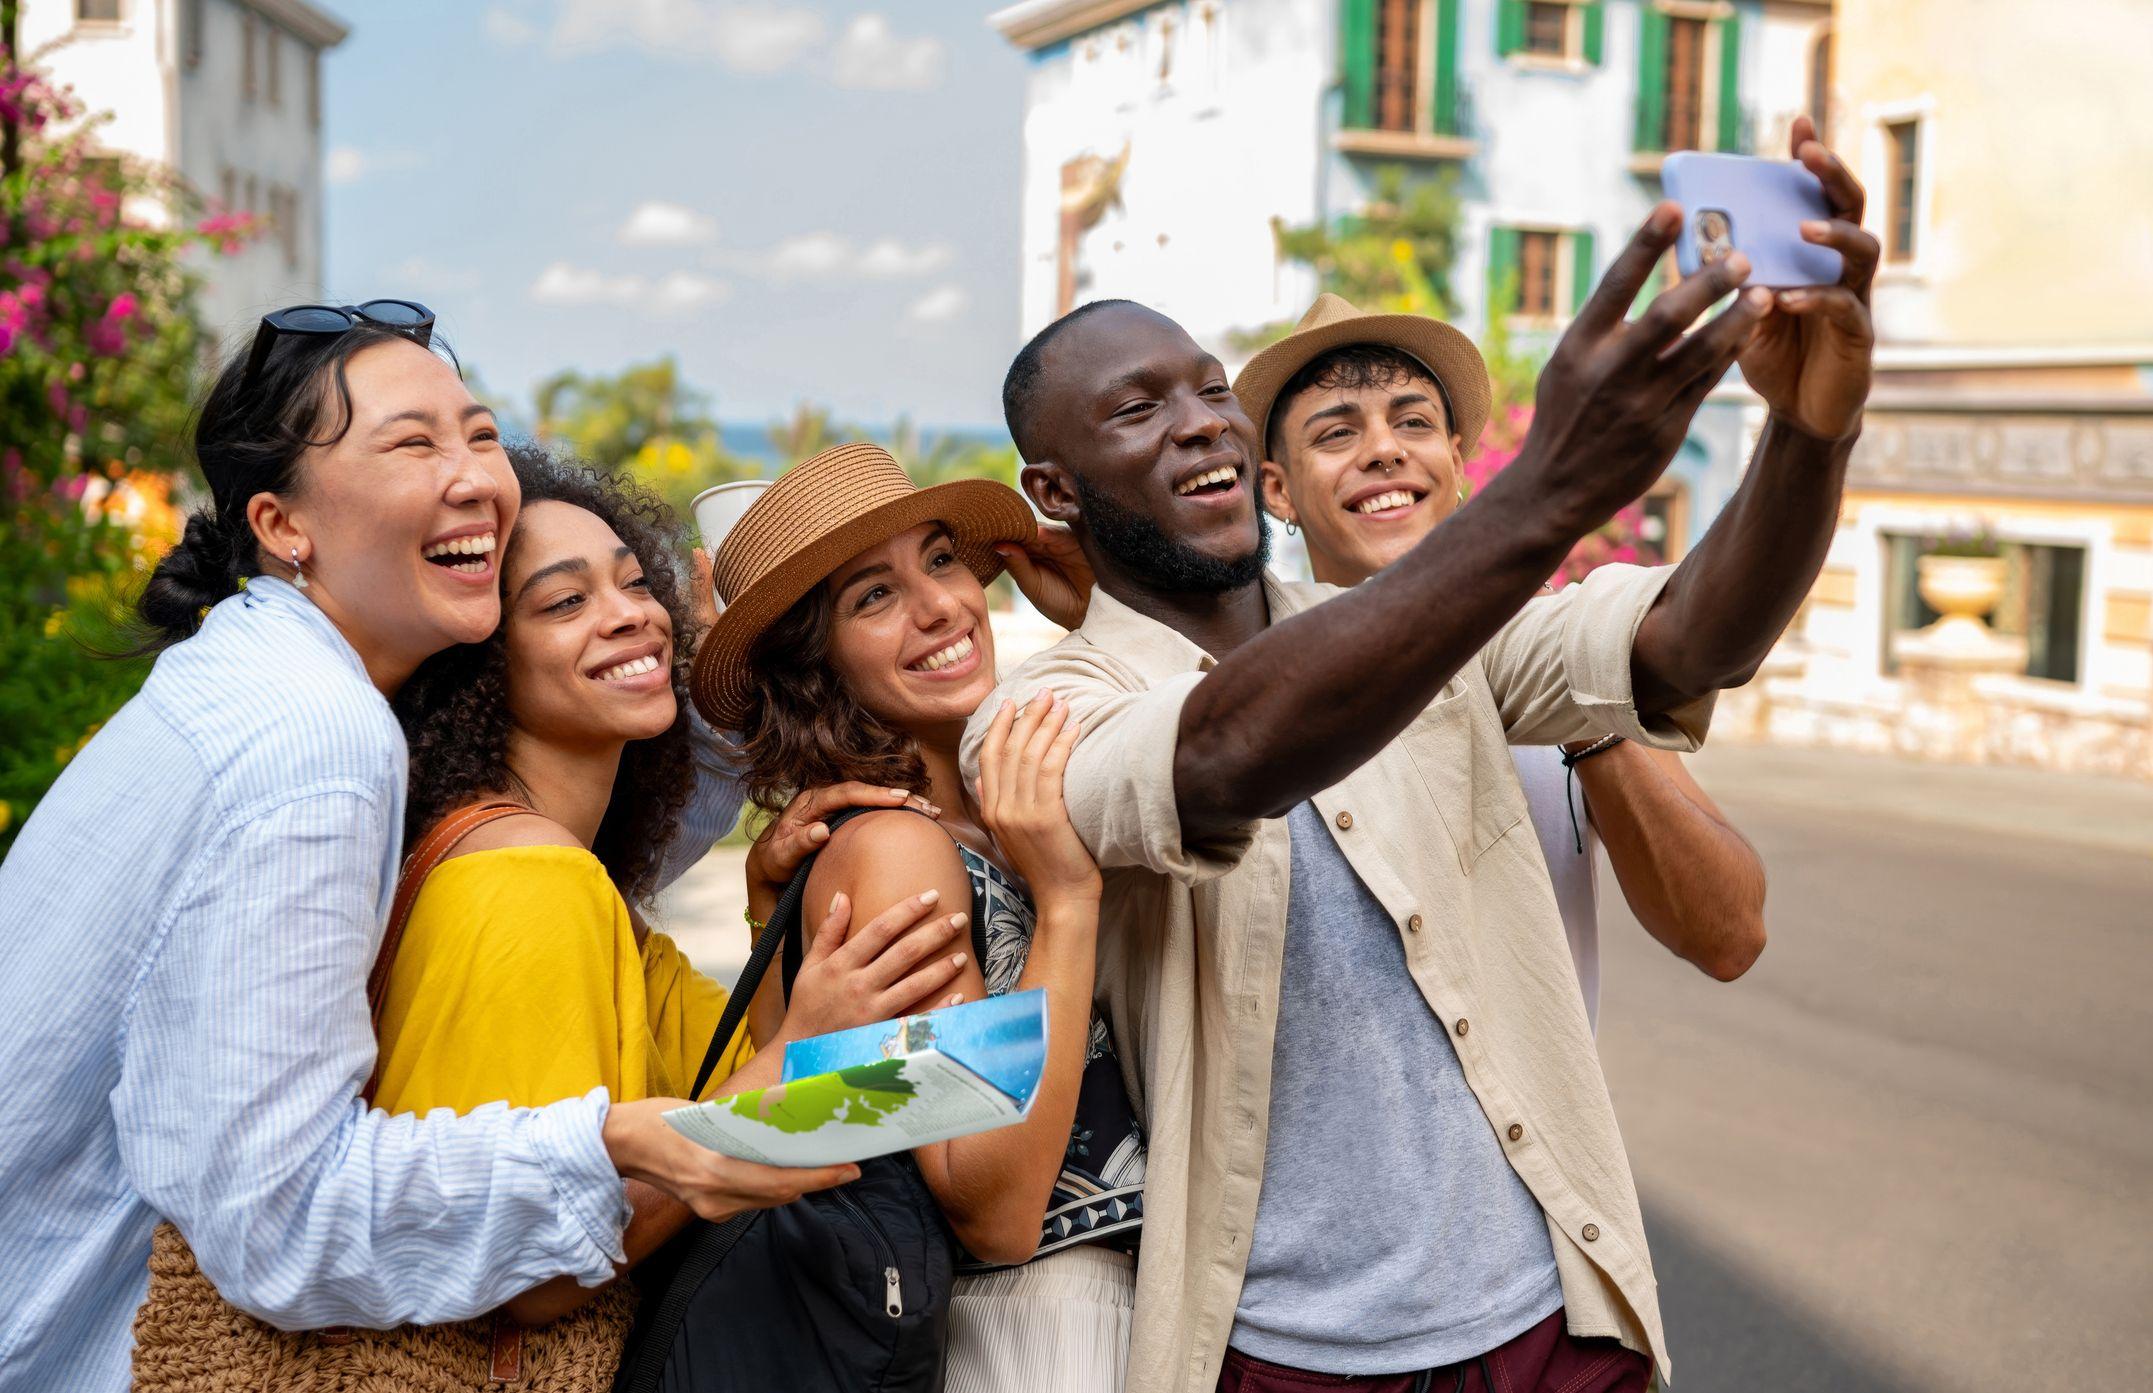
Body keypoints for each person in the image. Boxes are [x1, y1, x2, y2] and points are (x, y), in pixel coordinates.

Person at [967, 119, 1875, 1393]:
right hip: (1281, 1357)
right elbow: (1226, 755)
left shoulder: (1432, 638)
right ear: (1055, 493)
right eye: (1135, 408)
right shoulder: (1041, 715)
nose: (1198, 423)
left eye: (1210, 386)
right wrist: (1546, 489)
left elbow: (1685, 640)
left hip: (1550, 1323)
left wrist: (1810, 434)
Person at [0, 306, 914, 1392]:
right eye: (410, 443)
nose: (475, 473)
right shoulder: (320, 741)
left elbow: (565, 861)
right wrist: (614, 1143)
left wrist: (728, 735)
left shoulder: (258, 688)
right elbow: (279, 1220)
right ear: (282, 524)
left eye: (478, 433)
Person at [383, 445, 974, 1345]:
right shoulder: (524, 880)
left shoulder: (574, 881)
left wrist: (763, 907)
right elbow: (533, 1275)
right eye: (565, 601)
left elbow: (748, 1087)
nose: (631, 619)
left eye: (632, 583)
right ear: (481, 666)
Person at [692, 443, 1144, 1393]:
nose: (941, 604)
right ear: (814, 663)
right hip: (1040, 1343)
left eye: (940, 559)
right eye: (872, 596)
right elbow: (994, 1203)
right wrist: (1065, 904)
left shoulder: (978, 816)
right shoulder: (897, 849)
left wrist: (1110, 612)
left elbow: (817, 1116)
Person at [1245, 300, 1768, 1025]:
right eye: (1337, 433)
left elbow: (1727, 935)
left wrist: (1576, 710)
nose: (1383, 449)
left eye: (1413, 422)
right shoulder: (1242, 693)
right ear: (1277, 490)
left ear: (1455, 460)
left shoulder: (1551, 645)